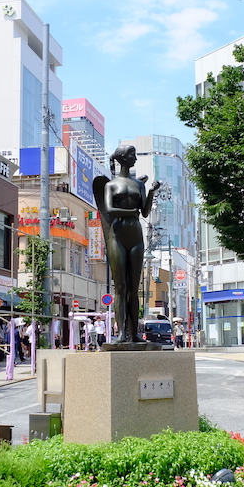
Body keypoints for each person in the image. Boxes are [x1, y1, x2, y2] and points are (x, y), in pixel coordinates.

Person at [93, 144, 161, 345]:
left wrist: (151, 193)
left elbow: (145, 212)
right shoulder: (111, 185)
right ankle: (121, 334)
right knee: (121, 287)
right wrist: (132, 213)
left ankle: (134, 333)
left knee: (134, 288)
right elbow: (110, 210)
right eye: (133, 155)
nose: (135, 159)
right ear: (123, 159)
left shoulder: (139, 185)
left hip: (136, 237)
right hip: (118, 236)